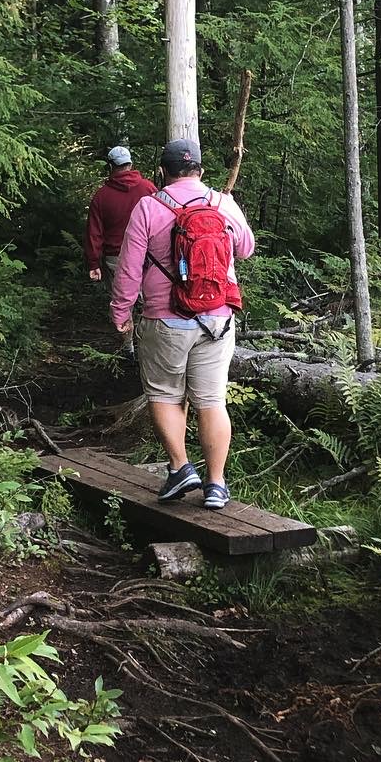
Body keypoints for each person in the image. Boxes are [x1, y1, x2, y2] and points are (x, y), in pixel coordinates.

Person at [110, 138, 254, 509]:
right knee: (211, 400)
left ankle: (179, 467)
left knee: (164, 394)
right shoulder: (222, 203)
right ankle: (217, 485)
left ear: (161, 172)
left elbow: (129, 267)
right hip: (218, 319)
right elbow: (246, 248)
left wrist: (121, 310)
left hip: (166, 319)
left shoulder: (149, 206)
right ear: (201, 171)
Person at [84, 145, 154, 286]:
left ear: (110, 166)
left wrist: (93, 263)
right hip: (146, 255)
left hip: (115, 257)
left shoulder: (101, 196)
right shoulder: (148, 188)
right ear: (130, 164)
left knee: (120, 304)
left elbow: (94, 233)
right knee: (147, 302)